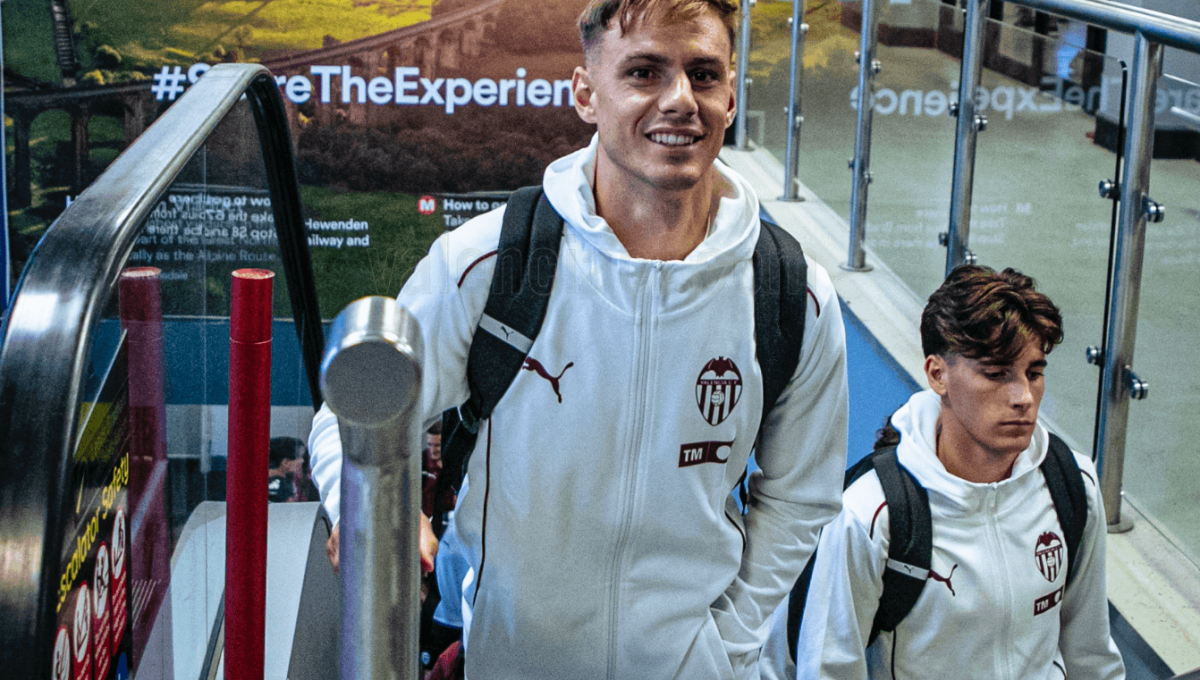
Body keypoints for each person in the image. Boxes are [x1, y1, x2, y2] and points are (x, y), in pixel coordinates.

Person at [308, 0, 848, 677]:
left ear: (732, 96)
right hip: (509, 660)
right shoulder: (489, 264)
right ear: (586, 95)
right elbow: (347, 422)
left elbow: (800, 498)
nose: (681, 100)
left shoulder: (791, 293)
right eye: (644, 72)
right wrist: (369, 509)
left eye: (704, 75)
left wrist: (725, 645)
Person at [788, 265, 1124, 679]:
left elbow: (1092, 656)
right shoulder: (871, 514)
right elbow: (827, 668)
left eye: (1034, 373)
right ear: (937, 374)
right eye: (996, 373)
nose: (1023, 397)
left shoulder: (1071, 483)